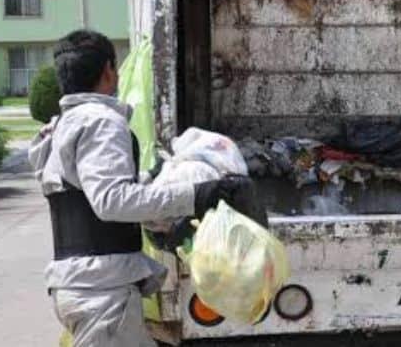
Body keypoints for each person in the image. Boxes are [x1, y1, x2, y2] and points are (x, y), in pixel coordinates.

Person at [29, 30, 264, 347]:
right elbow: (111, 201)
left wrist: (150, 179)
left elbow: (83, 195)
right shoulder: (101, 121)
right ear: (109, 71)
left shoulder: (61, 125)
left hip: (83, 287)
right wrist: (198, 195)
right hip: (103, 293)